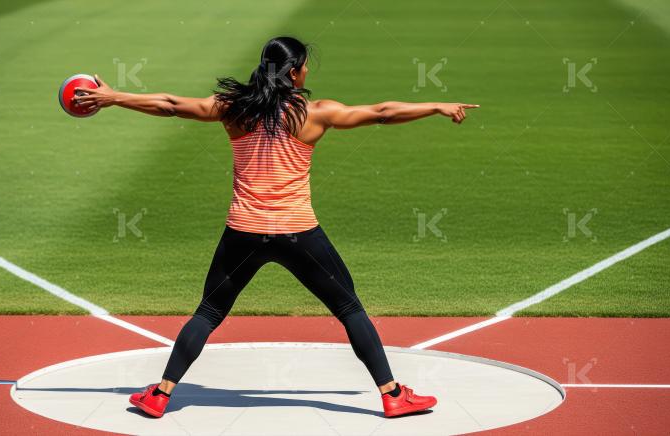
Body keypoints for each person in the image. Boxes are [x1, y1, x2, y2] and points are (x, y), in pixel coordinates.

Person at [74, 36, 478, 419]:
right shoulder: (315, 113)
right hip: (298, 234)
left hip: (243, 232)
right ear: (295, 72)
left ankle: (161, 395)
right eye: (304, 68)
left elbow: (169, 104)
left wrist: (113, 97)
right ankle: (392, 396)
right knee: (349, 308)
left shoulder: (233, 108)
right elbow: (382, 113)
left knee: (210, 311)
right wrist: (436, 105)